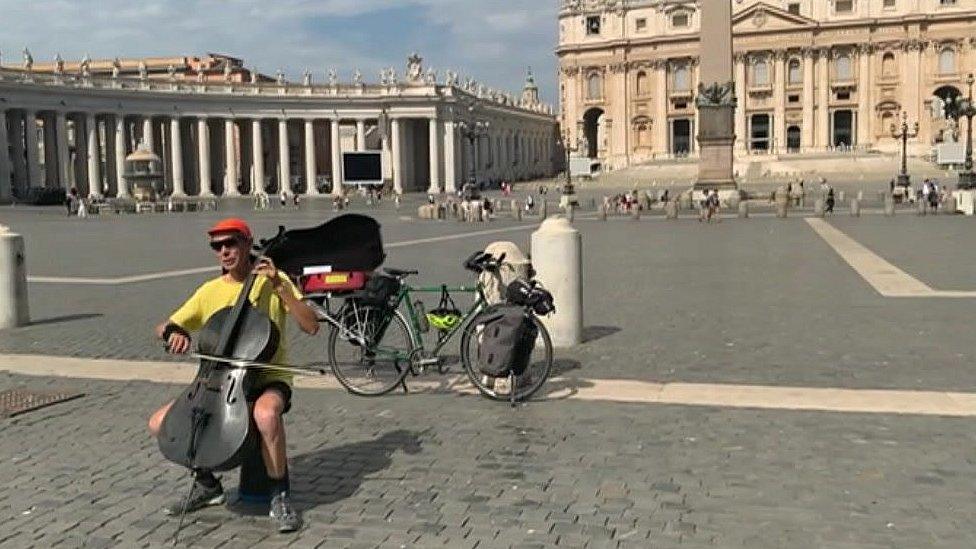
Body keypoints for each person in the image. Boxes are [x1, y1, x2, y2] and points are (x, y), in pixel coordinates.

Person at [147, 218, 320, 533]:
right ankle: (207, 484)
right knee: (160, 423)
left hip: (267, 379)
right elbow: (164, 325)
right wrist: (173, 332)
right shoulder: (210, 291)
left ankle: (279, 496)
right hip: (218, 383)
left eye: (231, 244)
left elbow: (311, 325)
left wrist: (281, 288)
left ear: (247, 243)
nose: (224, 252)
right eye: (217, 246)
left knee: (266, 415)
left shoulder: (274, 280)